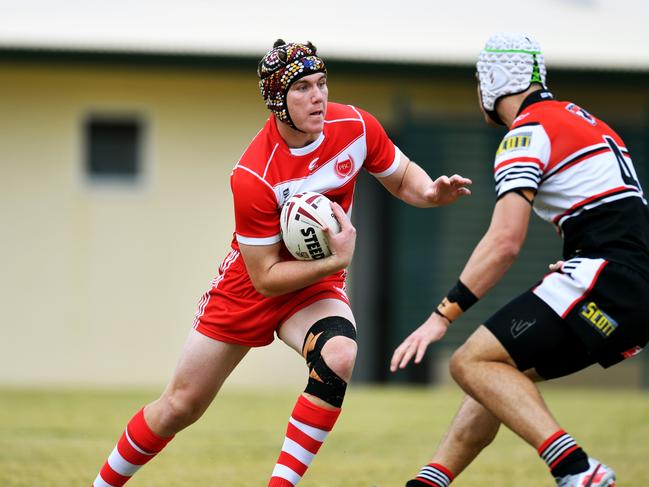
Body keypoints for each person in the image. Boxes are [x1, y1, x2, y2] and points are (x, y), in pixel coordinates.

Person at [91, 39, 471, 487]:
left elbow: (403, 176)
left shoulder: (355, 127)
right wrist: (336, 262)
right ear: (278, 100)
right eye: (304, 87)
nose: (318, 96)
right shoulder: (253, 175)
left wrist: (430, 193)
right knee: (180, 406)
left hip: (312, 286)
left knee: (339, 354)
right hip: (251, 284)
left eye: (322, 83)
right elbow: (266, 277)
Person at [391, 32, 649, 487]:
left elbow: (505, 242)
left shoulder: (527, 133)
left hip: (609, 277)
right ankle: (427, 484)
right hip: (626, 282)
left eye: (479, 79)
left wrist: (442, 315)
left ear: (494, 80)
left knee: (467, 363)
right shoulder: (585, 120)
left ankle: (577, 471)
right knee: (495, 376)